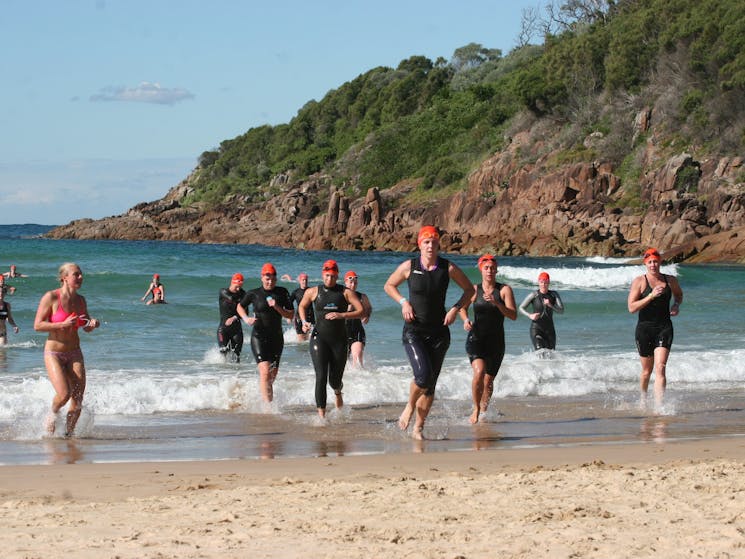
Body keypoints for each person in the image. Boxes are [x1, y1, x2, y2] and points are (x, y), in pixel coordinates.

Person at [383, 225, 474, 440]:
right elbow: (389, 286)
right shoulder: (409, 266)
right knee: (422, 377)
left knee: (430, 386)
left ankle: (418, 429)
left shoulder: (447, 268)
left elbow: (470, 290)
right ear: (419, 244)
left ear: (438, 244)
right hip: (414, 330)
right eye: (426, 242)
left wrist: (455, 309)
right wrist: (403, 302)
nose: (430, 246)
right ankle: (409, 406)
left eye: (434, 242)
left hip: (439, 334)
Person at [33, 262, 100, 437]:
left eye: (81, 274)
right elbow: (37, 325)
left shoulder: (81, 300)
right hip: (54, 353)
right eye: (76, 274)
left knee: (77, 399)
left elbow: (85, 326)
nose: (80, 277)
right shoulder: (51, 297)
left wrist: (92, 324)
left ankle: (68, 435)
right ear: (64, 278)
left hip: (74, 352)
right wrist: (61, 324)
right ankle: (52, 413)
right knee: (64, 394)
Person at [298, 260, 364, 419]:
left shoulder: (345, 292)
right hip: (319, 338)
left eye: (333, 276)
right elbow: (302, 306)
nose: (330, 279)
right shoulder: (313, 292)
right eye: (327, 276)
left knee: (334, 380)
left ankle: (337, 391)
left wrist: (342, 315)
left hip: (339, 341)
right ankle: (322, 416)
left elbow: (361, 311)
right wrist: (304, 322)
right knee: (320, 376)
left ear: (337, 275)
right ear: (323, 275)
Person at [459, 254, 517, 424]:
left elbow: (513, 315)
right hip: (476, 338)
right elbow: (462, 308)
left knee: (488, 381)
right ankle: (476, 408)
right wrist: (465, 320)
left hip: (496, 342)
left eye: (492, 268)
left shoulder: (504, 290)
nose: (489, 271)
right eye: (486, 268)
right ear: (481, 270)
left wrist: (497, 303)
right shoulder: (474, 290)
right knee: (479, 372)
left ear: (496, 270)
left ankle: (484, 411)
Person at [627, 247, 683, 409]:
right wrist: (651, 296)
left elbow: (679, 295)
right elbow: (631, 308)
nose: (653, 265)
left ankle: (659, 406)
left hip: (664, 327)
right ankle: (643, 400)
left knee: (661, 367)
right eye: (650, 262)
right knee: (646, 372)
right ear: (645, 263)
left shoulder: (670, 280)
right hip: (644, 329)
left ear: (660, 262)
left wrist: (676, 305)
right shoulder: (640, 281)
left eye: (656, 262)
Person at [236, 263, 294, 404]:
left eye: (272, 279)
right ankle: (268, 407)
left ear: (276, 279)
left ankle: (263, 398)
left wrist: (277, 307)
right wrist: (246, 318)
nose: (270, 282)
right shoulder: (253, 293)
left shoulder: (282, 292)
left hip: (276, 338)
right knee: (265, 372)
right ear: (262, 277)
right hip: (258, 337)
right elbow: (239, 306)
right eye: (267, 279)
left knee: (272, 375)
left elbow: (291, 315)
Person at [519, 272, 564, 352]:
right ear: (538, 282)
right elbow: (521, 308)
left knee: (551, 356)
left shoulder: (554, 295)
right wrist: (529, 315)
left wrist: (550, 305)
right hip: (536, 328)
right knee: (540, 352)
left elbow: (561, 310)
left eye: (546, 282)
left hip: (550, 330)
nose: (543, 284)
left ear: (549, 282)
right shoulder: (533, 295)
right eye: (541, 282)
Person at [344, 270, 373, 368]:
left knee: (357, 357)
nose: (353, 285)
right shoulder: (340, 297)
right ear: (346, 282)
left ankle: (360, 380)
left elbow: (368, 308)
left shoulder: (362, 296)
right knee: (343, 362)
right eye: (351, 282)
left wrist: (367, 315)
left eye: (355, 283)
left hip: (357, 331)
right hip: (342, 333)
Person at [217, 273, 246, 362]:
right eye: (237, 285)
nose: (239, 288)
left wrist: (234, 317)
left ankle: (235, 375)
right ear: (232, 282)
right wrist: (244, 300)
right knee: (224, 351)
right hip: (223, 329)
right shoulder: (223, 292)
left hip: (236, 330)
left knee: (236, 356)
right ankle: (223, 374)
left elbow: (245, 312)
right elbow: (232, 299)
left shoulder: (243, 293)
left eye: (240, 286)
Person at [289, 273, 314, 342]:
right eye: (303, 280)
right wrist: (289, 316)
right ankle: (300, 353)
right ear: (300, 281)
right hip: (299, 318)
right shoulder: (296, 292)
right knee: (301, 341)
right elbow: (289, 303)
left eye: (306, 280)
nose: (304, 282)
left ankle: (307, 353)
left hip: (310, 316)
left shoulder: (311, 291)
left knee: (310, 339)